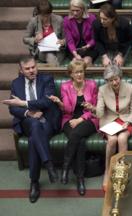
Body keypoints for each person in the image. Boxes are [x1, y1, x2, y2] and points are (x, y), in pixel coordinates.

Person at [2, 56, 60, 203]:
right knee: (33, 125)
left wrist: (24, 103)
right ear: (21, 71)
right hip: (28, 120)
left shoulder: (47, 79)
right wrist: (29, 113)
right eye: (27, 69)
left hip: (46, 119)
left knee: (34, 137)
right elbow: (13, 108)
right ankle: (49, 164)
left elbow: (46, 102)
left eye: (33, 67)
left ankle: (34, 182)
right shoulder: (16, 83)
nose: (31, 70)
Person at [48, 60, 98, 196]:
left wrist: (81, 119)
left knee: (76, 135)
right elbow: (68, 109)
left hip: (88, 120)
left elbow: (94, 108)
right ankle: (80, 179)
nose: (80, 74)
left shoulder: (92, 85)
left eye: (81, 71)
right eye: (76, 72)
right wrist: (60, 103)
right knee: (80, 141)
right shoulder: (65, 87)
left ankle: (65, 167)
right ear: (71, 74)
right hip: (69, 120)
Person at [92, 65, 132, 190]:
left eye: (116, 79)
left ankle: (122, 172)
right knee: (112, 140)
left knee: (122, 139)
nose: (114, 82)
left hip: (126, 120)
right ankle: (108, 171)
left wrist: (128, 122)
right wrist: (94, 109)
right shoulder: (102, 90)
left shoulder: (131, 88)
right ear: (107, 81)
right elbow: (100, 113)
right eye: (110, 80)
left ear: (120, 77)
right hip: (109, 120)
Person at [23, 0, 65, 66]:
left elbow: (66, 37)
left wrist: (63, 41)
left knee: (54, 57)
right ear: (38, 14)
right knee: (50, 56)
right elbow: (25, 38)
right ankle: (56, 71)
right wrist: (35, 40)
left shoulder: (59, 19)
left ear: (51, 12)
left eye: (48, 15)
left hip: (58, 50)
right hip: (42, 51)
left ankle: (53, 69)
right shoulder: (33, 21)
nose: (45, 18)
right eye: (43, 16)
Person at [63, 0, 97, 66]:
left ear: (83, 10)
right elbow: (70, 41)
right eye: (72, 10)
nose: (75, 13)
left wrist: (88, 46)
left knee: (86, 61)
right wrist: (75, 54)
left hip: (90, 47)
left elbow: (94, 37)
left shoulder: (92, 18)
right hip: (74, 48)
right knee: (75, 63)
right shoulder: (67, 20)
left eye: (77, 10)